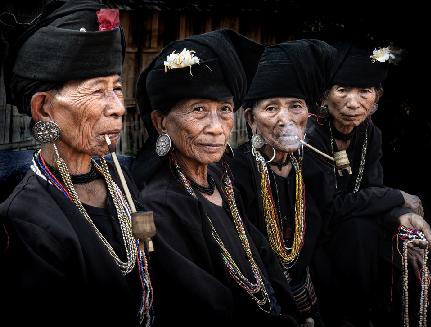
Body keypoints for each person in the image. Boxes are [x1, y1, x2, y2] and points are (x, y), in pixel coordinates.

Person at [132, 29, 300, 326]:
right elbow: (207, 305)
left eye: (224, 110)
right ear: (161, 122)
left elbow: (259, 253)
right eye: (199, 110)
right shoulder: (161, 204)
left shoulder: (220, 177)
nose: (216, 127)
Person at [0, 1, 153, 326]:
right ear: (43, 108)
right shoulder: (28, 217)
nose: (119, 108)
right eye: (97, 91)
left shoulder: (116, 177)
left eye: (117, 88)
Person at [307, 41, 431, 326]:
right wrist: (398, 197)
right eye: (342, 90)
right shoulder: (310, 136)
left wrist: (401, 215)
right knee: (359, 229)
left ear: (376, 98)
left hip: (357, 242)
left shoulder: (370, 134)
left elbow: (370, 190)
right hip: (316, 239)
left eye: (364, 92)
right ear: (325, 96)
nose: (353, 103)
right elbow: (330, 208)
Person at [229, 39, 336, 326]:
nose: (285, 119)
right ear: (251, 119)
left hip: (310, 296)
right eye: (272, 108)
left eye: (295, 106)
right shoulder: (235, 174)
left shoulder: (314, 167)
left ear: (307, 115)